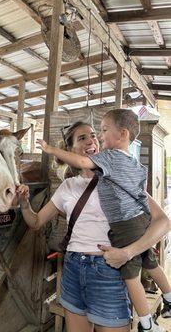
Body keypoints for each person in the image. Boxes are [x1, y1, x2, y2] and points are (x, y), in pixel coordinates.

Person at [16, 121, 170, 332]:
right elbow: (35, 222)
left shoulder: (119, 178)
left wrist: (128, 252)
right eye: (82, 138)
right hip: (72, 268)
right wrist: (24, 203)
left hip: (109, 271)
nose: (92, 140)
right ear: (70, 150)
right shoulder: (67, 186)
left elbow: (163, 222)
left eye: (94, 135)